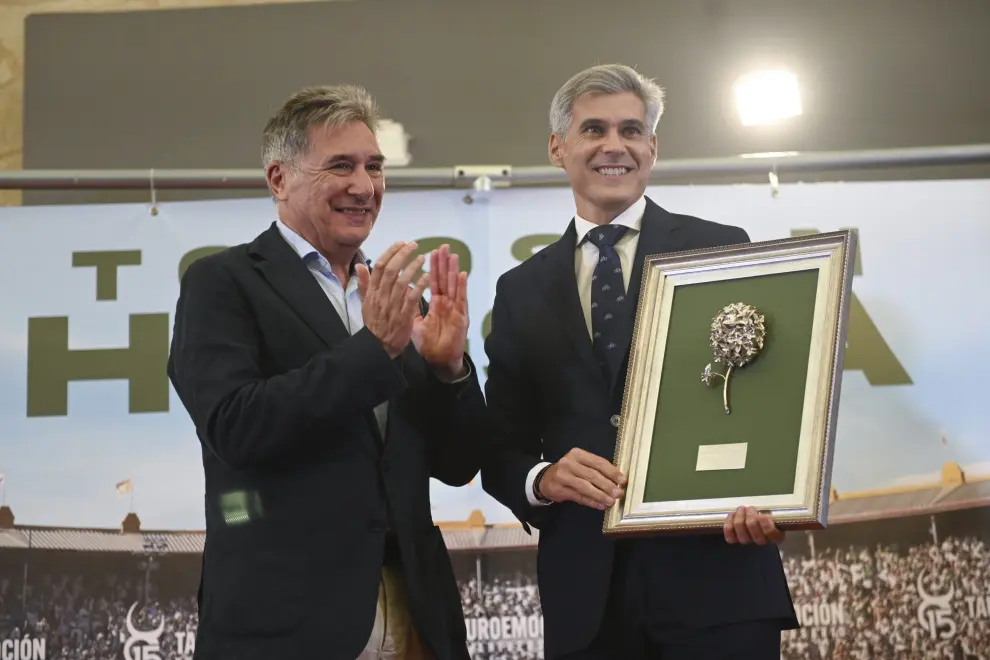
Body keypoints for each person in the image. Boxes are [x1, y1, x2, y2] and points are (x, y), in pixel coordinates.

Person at [480, 64, 799, 659]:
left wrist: (774, 495)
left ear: (652, 146)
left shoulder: (721, 247)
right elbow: (499, 446)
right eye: (594, 129)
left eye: (631, 130)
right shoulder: (519, 289)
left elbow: (766, 404)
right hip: (588, 603)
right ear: (558, 147)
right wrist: (543, 480)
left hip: (719, 584)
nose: (614, 146)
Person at [167, 84, 484, 660]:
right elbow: (236, 426)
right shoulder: (223, 283)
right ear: (279, 179)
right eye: (341, 166)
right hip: (287, 622)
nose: (364, 187)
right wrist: (373, 351)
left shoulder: (395, 298)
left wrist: (450, 370)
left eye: (374, 167)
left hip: (417, 616)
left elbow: (460, 466)